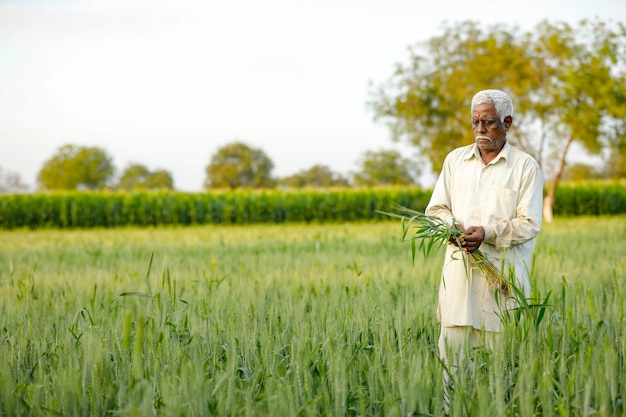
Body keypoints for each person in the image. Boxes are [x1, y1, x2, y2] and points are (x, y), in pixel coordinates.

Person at [425, 89, 544, 411]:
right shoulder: (455, 161)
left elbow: (530, 223)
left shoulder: (526, 167)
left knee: (501, 372)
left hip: (502, 285)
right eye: (475, 122)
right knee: (452, 371)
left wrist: (488, 233)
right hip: (458, 284)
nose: (480, 130)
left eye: (488, 123)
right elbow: (435, 210)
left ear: (507, 123)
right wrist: (452, 227)